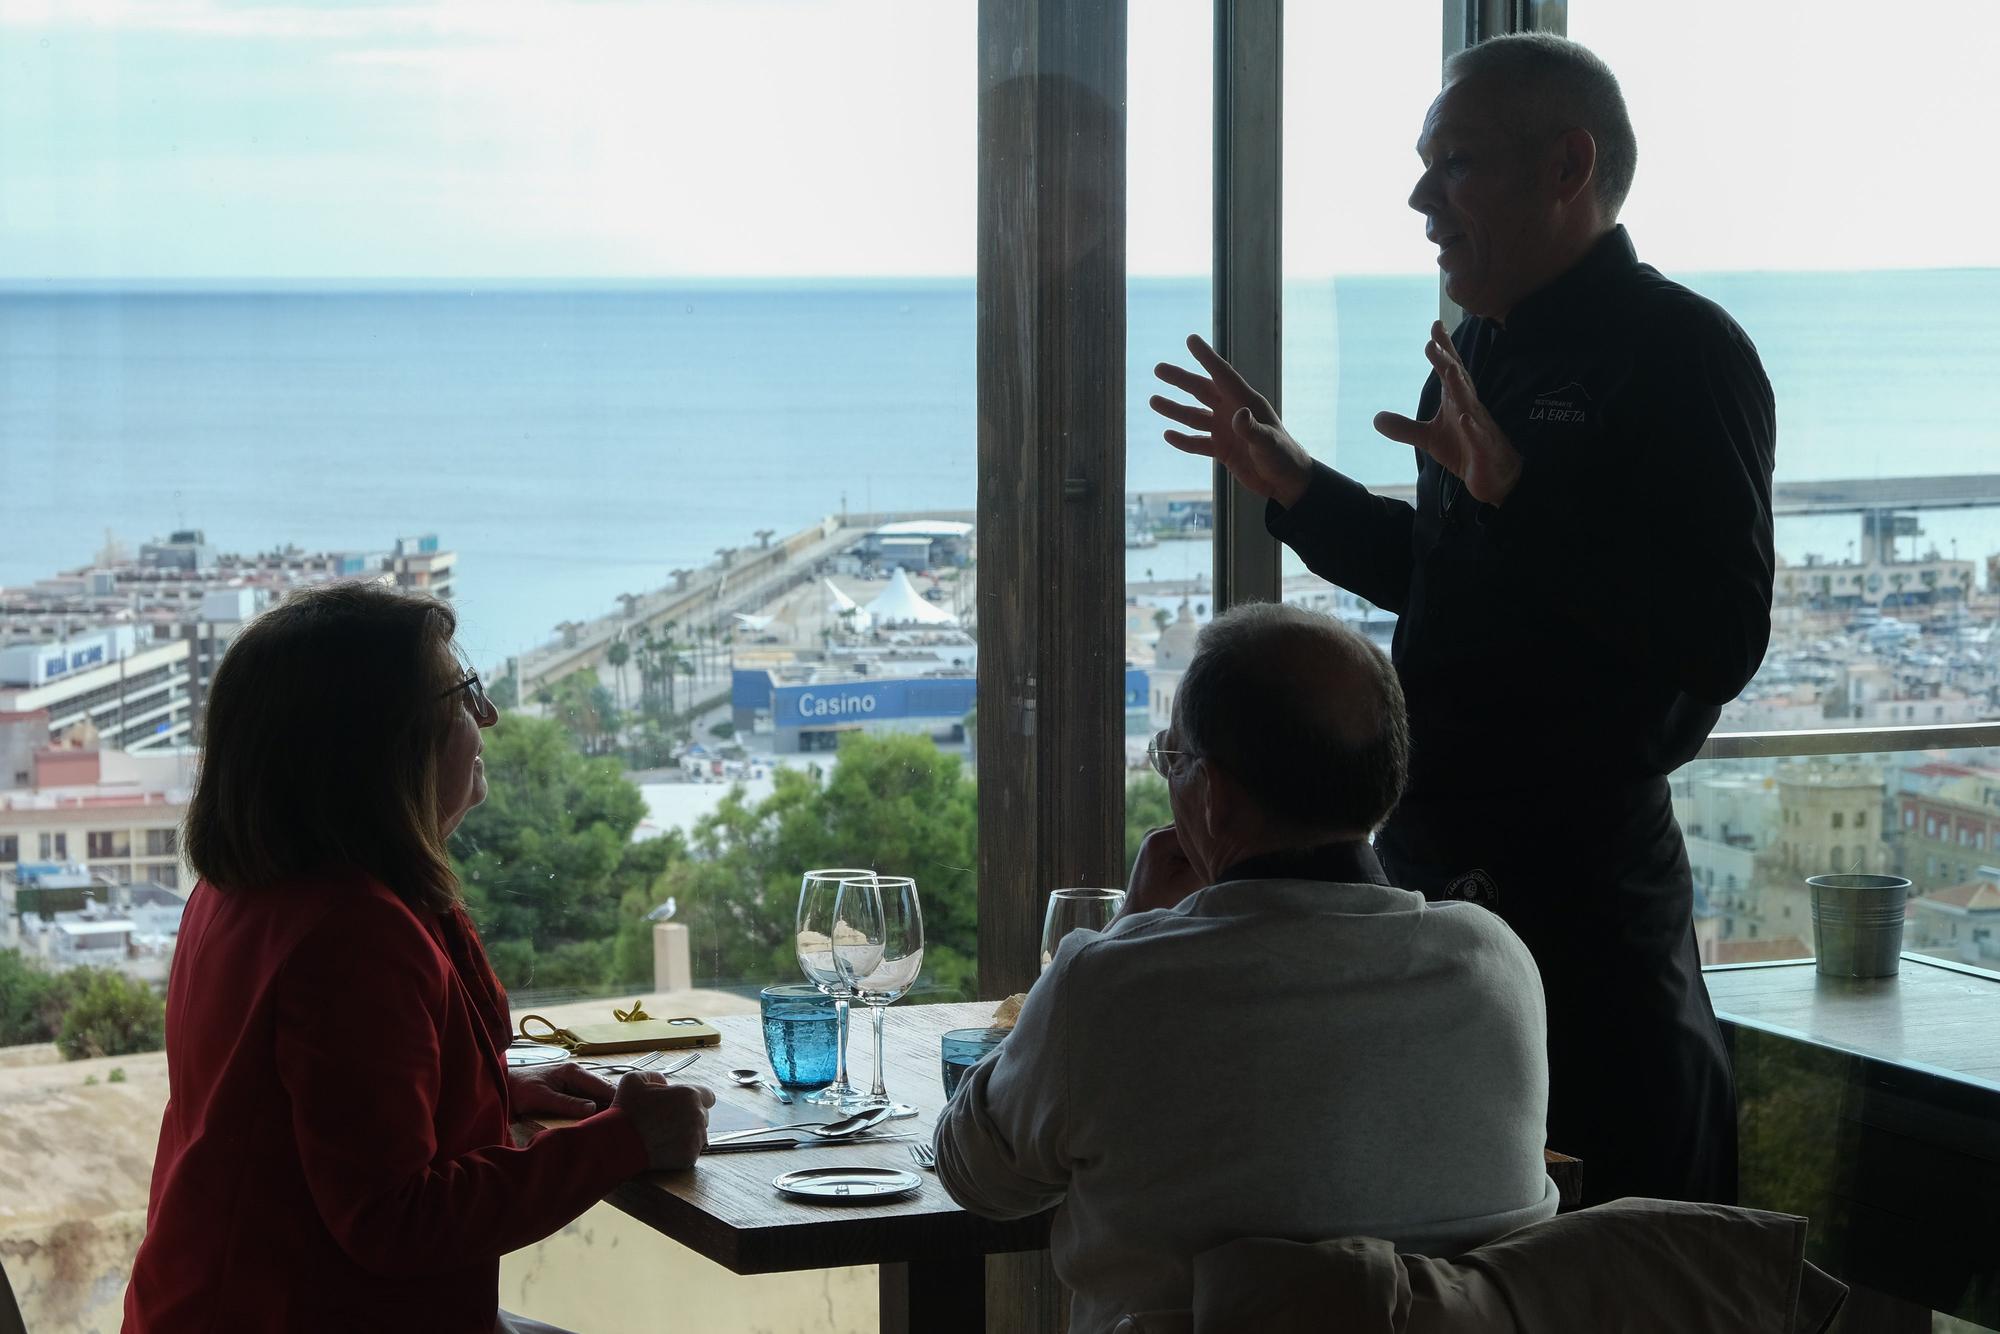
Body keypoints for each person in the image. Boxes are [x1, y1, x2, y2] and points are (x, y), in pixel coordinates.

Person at [1150, 33, 1775, 1205]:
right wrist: (1298, 486)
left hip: (1585, 906)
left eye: (1455, 166)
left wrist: (1520, 500)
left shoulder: (1681, 353)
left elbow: (1718, 635)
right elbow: (1450, 574)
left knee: (1611, 1255)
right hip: (1427, 884)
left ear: (1566, 166)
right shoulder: (1474, 349)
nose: (1419, 199)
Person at [933, 603, 1558, 1334]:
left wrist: (1128, 934)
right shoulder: (1494, 964)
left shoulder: (1113, 989)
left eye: (1172, 759)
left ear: (1216, 797)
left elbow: (978, 1176)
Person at [123, 583, 714, 1334]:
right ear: (387, 742)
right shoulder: (352, 935)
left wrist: (489, 1090)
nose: (488, 716)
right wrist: (627, 1140)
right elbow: (396, 1219)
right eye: (464, 693)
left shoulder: (241, 892)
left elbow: (301, 1114)